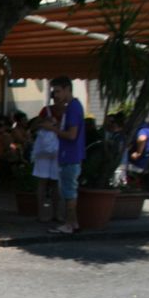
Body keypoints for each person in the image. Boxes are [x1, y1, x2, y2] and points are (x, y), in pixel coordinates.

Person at [48, 77, 85, 234]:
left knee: (69, 192)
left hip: (70, 156)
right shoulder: (72, 107)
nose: (55, 95)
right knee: (69, 191)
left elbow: (71, 135)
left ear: (67, 89)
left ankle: (69, 224)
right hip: (70, 155)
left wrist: (53, 129)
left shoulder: (73, 108)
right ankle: (73, 223)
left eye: (58, 91)